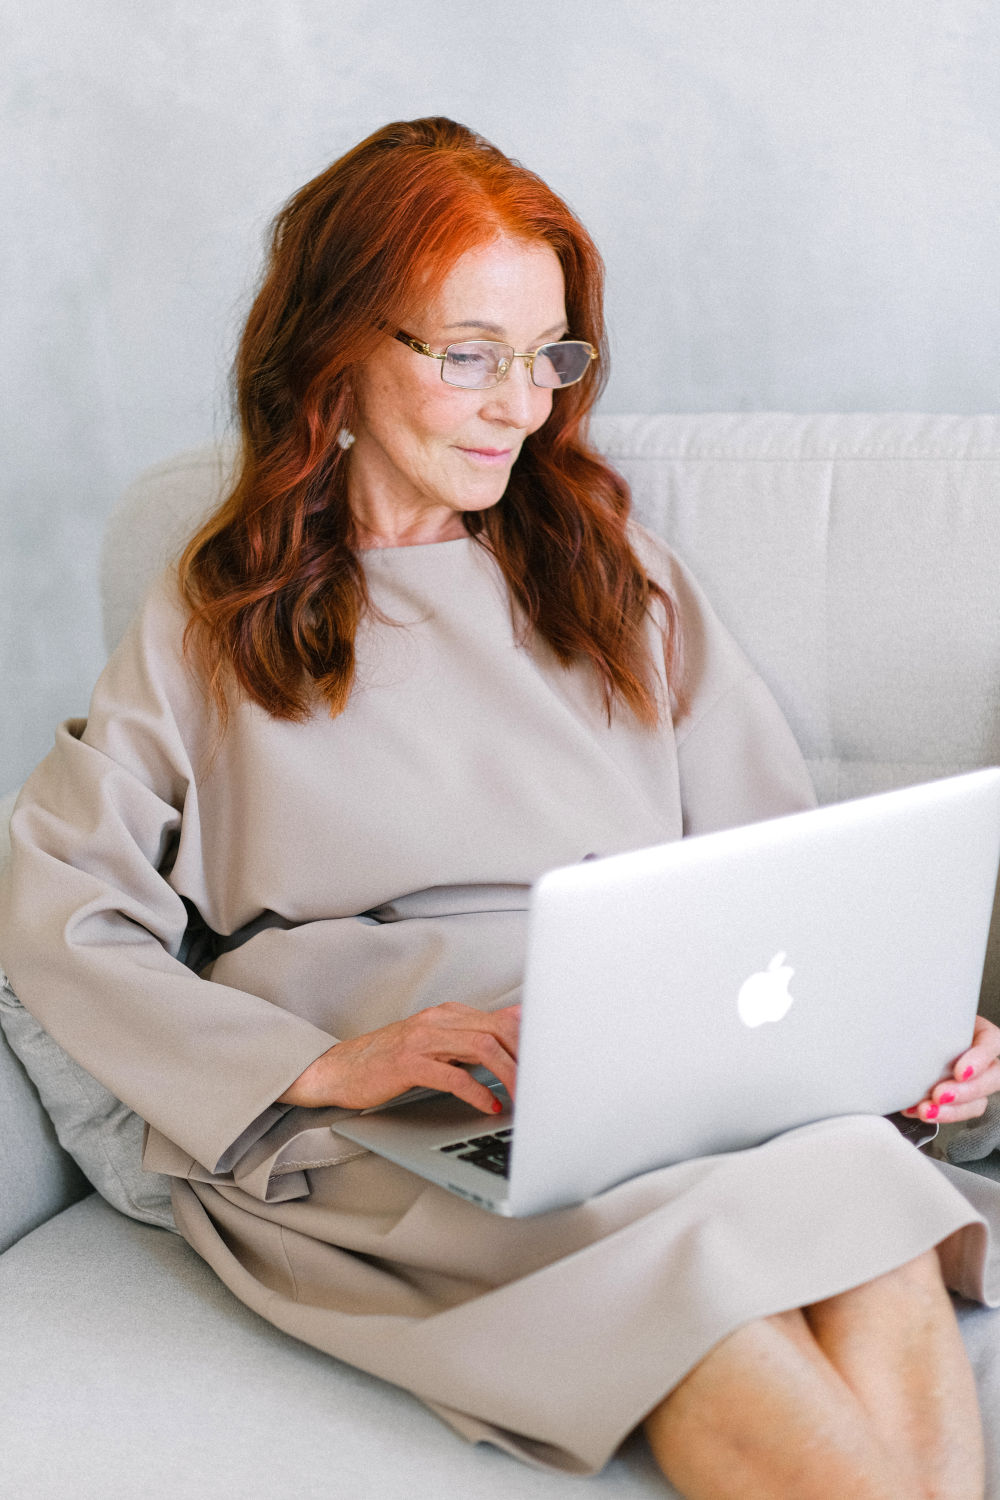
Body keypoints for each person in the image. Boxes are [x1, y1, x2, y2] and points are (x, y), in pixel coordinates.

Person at [1, 116, 999, 1499]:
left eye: (549, 356)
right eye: (469, 355)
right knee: (711, 1300)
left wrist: (901, 1033)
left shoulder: (614, 576)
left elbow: (786, 877)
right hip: (416, 1116)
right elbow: (55, 906)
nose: (522, 406)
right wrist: (314, 1066)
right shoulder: (216, 613)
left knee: (869, 1216)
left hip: (665, 1078)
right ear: (339, 349)